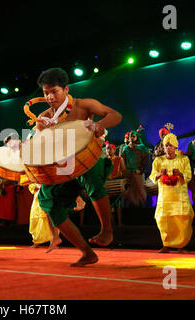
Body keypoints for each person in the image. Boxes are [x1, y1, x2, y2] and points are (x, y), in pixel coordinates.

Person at [34, 68, 122, 267]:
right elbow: (43, 149)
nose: (49, 96)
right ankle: (86, 252)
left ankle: (107, 230)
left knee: (92, 178)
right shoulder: (43, 118)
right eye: (45, 92)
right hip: (63, 166)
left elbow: (115, 115)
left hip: (88, 158)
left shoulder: (84, 105)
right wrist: (43, 132)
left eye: (53, 91)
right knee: (47, 200)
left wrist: (100, 125)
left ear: (66, 89)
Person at [149, 133, 194, 253]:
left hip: (180, 197)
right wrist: (160, 174)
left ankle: (181, 246)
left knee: (183, 219)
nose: (168, 148)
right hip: (165, 198)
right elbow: (152, 177)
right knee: (163, 219)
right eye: (166, 145)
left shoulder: (184, 160)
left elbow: (189, 176)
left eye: (170, 145)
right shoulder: (158, 161)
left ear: (175, 147)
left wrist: (180, 174)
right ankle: (166, 244)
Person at [28, 183, 62, 252]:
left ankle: (54, 240)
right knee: (36, 220)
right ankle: (36, 242)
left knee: (51, 218)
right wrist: (39, 186)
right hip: (38, 200)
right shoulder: (35, 177)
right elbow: (31, 187)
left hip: (48, 197)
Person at [121, 130, 149, 207]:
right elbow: (122, 160)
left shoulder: (141, 147)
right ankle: (134, 212)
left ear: (136, 137)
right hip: (129, 174)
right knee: (131, 194)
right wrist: (125, 172)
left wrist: (141, 170)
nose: (132, 138)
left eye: (133, 136)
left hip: (138, 172)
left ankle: (144, 210)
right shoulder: (125, 148)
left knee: (141, 192)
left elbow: (146, 159)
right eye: (130, 136)